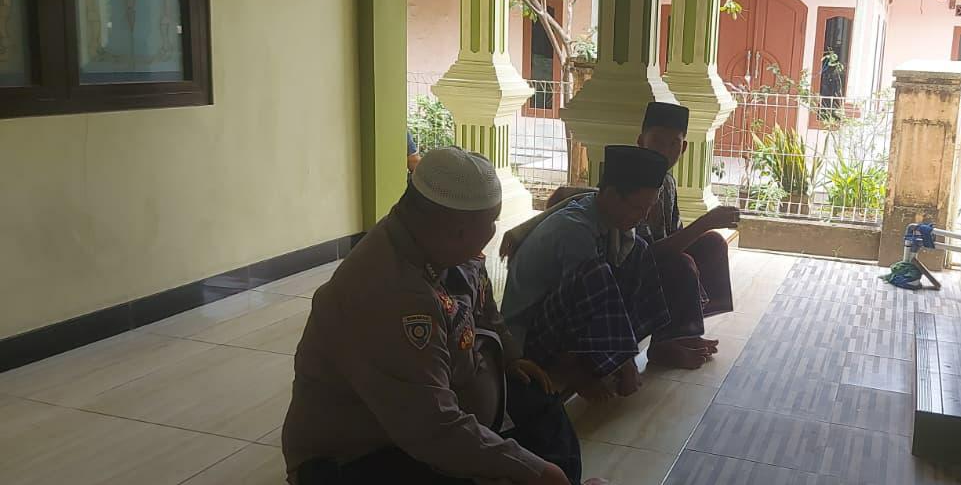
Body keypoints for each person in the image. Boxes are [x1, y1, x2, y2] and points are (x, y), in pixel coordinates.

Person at [282, 146, 603, 485]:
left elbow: (483, 305)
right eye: (491, 222)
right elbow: (431, 428)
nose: (494, 231)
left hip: (435, 417)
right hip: (363, 454)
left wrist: (510, 357)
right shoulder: (389, 293)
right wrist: (533, 470)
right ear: (458, 230)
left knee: (539, 404)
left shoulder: (441, 245)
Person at [500, 145, 671, 401]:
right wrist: (624, 363)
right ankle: (573, 368)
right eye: (638, 208)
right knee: (594, 275)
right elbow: (587, 294)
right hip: (527, 339)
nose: (644, 216)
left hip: (561, 319)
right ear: (612, 195)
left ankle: (607, 357)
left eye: (649, 207)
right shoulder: (575, 230)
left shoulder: (604, 215)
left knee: (639, 250)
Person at [635, 102, 738, 369]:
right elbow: (644, 254)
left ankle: (687, 332)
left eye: (674, 144)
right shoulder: (632, 183)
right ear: (641, 142)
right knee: (681, 263)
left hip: (655, 266)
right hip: (629, 273)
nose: (665, 150)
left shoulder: (667, 182)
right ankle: (663, 345)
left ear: (683, 149)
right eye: (657, 141)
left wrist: (706, 228)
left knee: (713, 243)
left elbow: (676, 235)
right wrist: (705, 222)